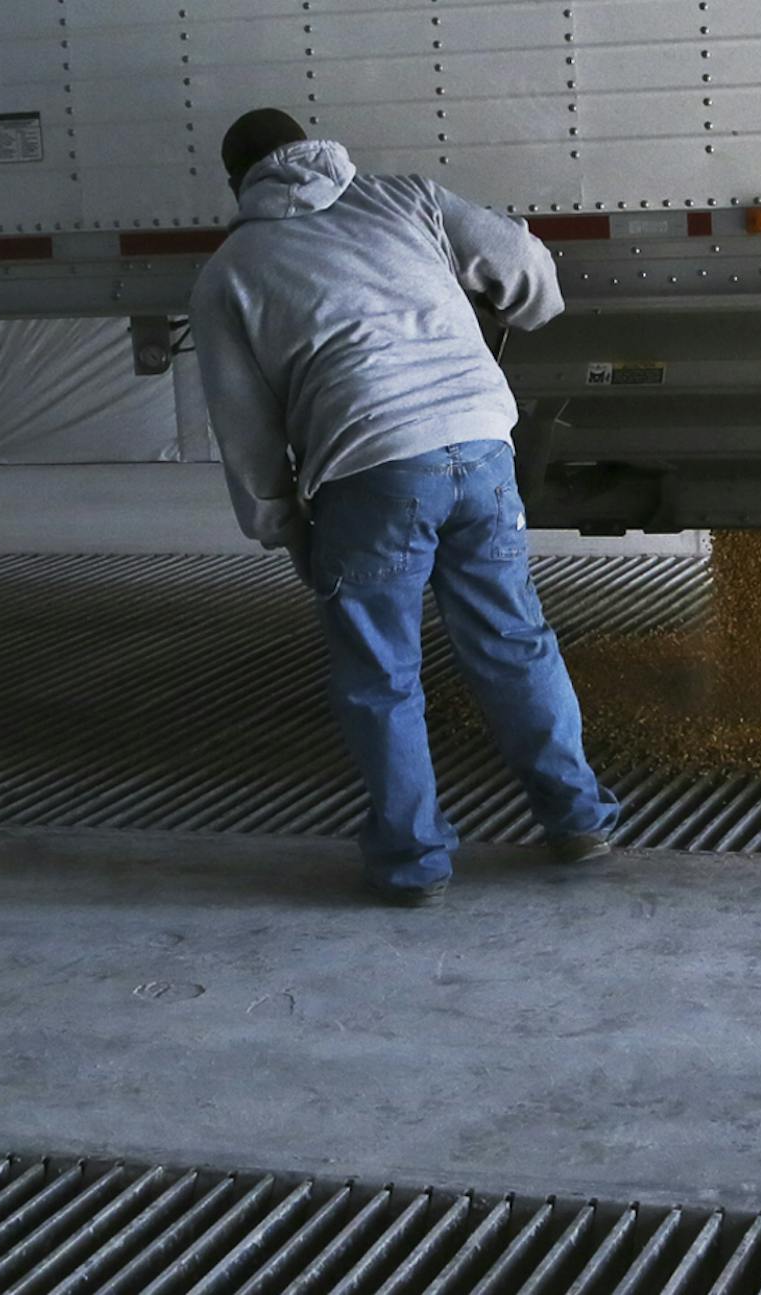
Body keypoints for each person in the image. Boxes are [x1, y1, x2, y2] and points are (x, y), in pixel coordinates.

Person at [190, 108, 621, 906]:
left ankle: (412, 861)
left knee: (380, 674)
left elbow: (245, 432)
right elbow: (523, 265)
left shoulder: (230, 269)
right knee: (512, 642)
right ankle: (577, 819)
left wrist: (286, 530)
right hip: (482, 442)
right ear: (314, 146)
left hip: (370, 468)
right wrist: (529, 307)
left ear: (238, 182)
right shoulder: (406, 199)